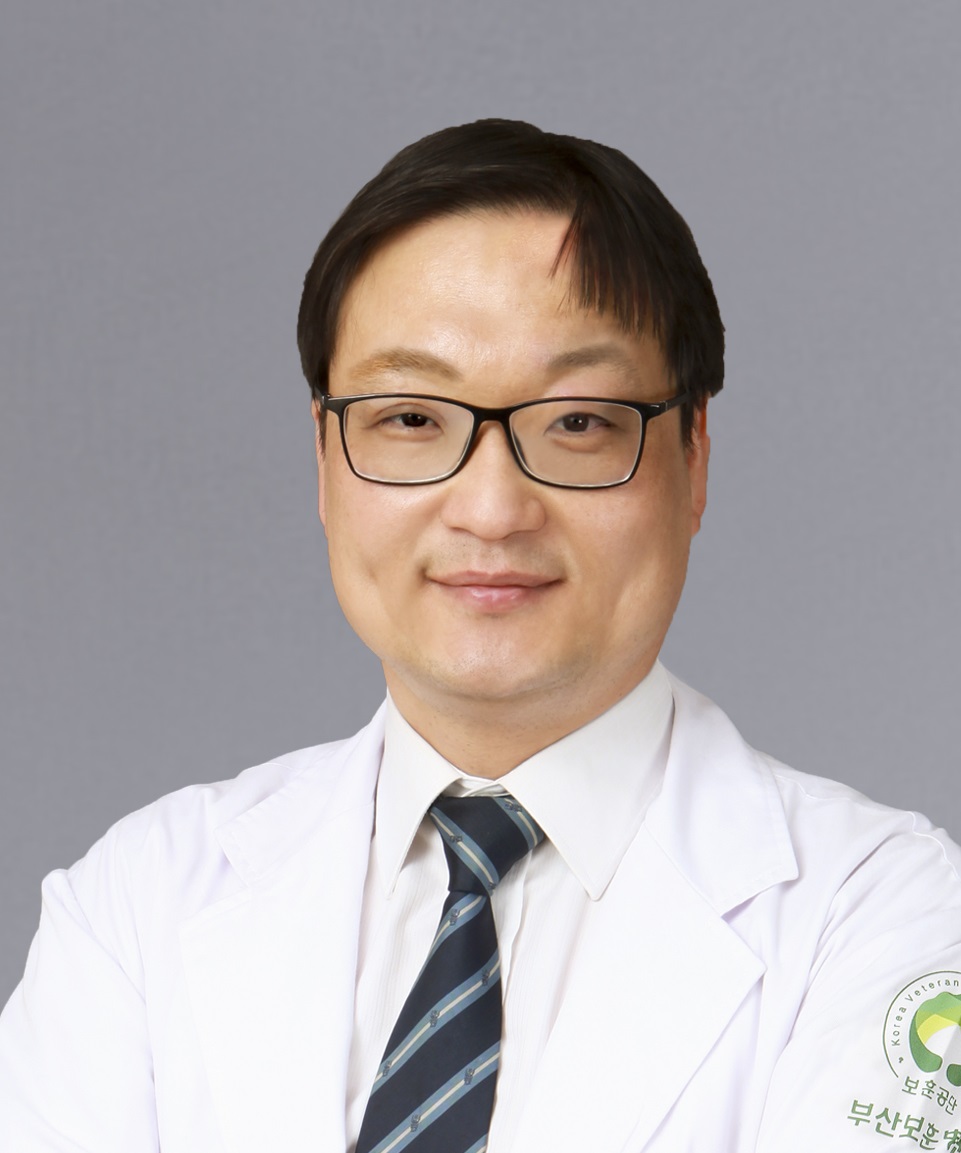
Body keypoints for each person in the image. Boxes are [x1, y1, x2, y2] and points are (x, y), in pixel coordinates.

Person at [1, 119, 960, 1153]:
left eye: (577, 421)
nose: (492, 510)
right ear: (324, 460)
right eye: (412, 419)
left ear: (694, 456)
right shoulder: (137, 907)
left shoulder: (883, 913)